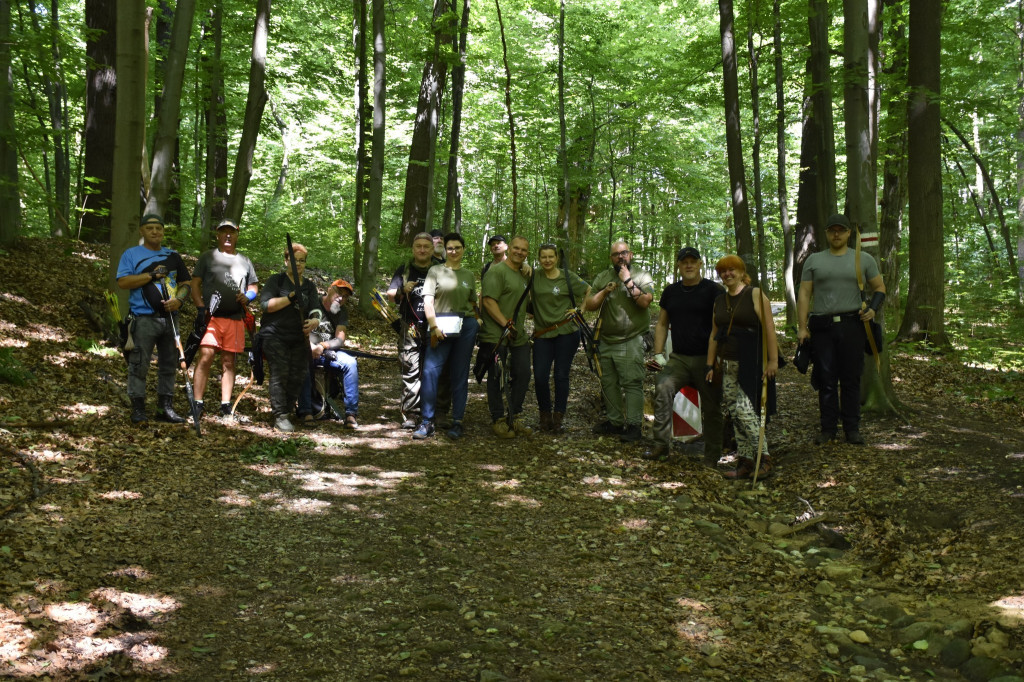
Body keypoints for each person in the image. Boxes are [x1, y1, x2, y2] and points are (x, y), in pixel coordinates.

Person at [797, 214, 886, 445]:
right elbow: (805, 294)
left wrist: (873, 309)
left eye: (841, 230)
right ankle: (828, 429)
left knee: (851, 379)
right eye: (832, 230)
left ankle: (852, 428)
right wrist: (802, 327)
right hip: (822, 327)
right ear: (826, 233)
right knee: (825, 379)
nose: (836, 234)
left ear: (849, 233)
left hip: (853, 326)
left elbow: (879, 288)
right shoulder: (813, 260)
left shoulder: (863, 259)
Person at [648, 247, 725, 463]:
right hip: (679, 358)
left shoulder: (714, 290)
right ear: (679, 266)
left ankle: (712, 455)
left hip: (706, 359)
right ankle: (661, 446)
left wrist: (716, 360)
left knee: (712, 405)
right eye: (684, 262)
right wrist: (658, 353)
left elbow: (720, 325)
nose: (689, 265)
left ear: (700, 264)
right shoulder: (671, 291)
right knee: (662, 387)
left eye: (693, 261)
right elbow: (662, 323)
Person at [705, 255, 779, 479]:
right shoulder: (719, 300)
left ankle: (763, 458)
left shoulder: (754, 294)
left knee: (746, 412)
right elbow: (714, 334)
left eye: (731, 270)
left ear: (741, 271)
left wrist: (773, 361)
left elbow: (769, 328)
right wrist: (710, 364)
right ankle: (746, 461)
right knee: (735, 413)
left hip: (751, 362)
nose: (727, 274)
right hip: (727, 363)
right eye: (723, 272)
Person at [116, 214, 193, 425]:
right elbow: (123, 282)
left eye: (158, 228)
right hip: (143, 319)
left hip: (171, 319)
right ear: (141, 231)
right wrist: (151, 276)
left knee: (169, 364)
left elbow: (186, 283)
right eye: (149, 228)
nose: (155, 232)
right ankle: (138, 409)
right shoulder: (131, 254)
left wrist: (180, 300)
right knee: (139, 364)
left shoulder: (173, 256)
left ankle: (164, 408)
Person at [584, 240, 654, 443]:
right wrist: (605, 291)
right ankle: (614, 422)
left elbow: (645, 302)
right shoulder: (603, 277)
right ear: (611, 258)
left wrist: (627, 281)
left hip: (631, 339)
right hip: (605, 340)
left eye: (624, 253)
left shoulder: (641, 275)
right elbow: (589, 305)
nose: (620, 257)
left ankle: (633, 426)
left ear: (630, 255)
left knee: (632, 382)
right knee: (608, 382)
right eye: (616, 254)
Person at [189, 218, 259, 419]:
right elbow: (195, 284)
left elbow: (253, 286)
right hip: (212, 318)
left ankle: (226, 405)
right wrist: (200, 307)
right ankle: (198, 403)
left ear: (237, 235)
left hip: (236, 318)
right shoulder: (208, 257)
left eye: (232, 232)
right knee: (206, 357)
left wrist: (249, 296)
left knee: (229, 361)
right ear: (217, 235)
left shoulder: (245, 261)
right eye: (223, 231)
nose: (228, 235)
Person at [414, 232, 480, 440]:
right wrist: (433, 326)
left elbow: (472, 302)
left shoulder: (469, 275)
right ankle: (427, 421)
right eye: (450, 248)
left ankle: (457, 421)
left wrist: (477, 321)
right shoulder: (435, 271)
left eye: (457, 248)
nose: (453, 251)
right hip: (439, 327)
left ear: (463, 250)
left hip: (465, 327)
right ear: (444, 250)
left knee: (459, 374)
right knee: (431, 373)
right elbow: (428, 302)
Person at [258, 242, 319, 432]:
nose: (298, 264)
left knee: (298, 374)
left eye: (302, 261)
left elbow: (316, 309)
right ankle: (280, 415)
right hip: (274, 334)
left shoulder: (309, 286)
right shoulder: (276, 281)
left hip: (299, 337)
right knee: (280, 371)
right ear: (286, 261)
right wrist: (291, 298)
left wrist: (315, 321)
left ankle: (288, 410)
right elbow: (266, 305)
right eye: (294, 260)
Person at [531, 243, 590, 433]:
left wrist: (580, 309)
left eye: (551, 257)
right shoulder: (534, 276)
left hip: (567, 332)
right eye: (543, 257)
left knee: (561, 375)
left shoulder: (568, 276)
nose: (547, 260)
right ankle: (544, 415)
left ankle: (558, 418)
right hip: (542, 333)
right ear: (539, 259)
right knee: (540, 376)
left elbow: (589, 290)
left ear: (556, 258)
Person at [479, 235, 534, 438]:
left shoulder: (523, 274)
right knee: (497, 375)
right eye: (516, 248)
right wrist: (505, 324)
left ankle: (515, 415)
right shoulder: (497, 272)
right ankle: (498, 419)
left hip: (517, 334)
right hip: (496, 335)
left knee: (523, 373)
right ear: (509, 249)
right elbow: (488, 301)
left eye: (524, 250)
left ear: (527, 254)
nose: (519, 252)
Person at [387, 232, 435, 429]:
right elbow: (390, 294)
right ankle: (411, 413)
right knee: (410, 369)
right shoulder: (405, 269)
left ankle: (433, 411)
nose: (422, 250)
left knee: (433, 370)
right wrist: (402, 290)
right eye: (418, 246)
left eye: (426, 246)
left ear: (432, 249)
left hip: (435, 328)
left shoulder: (439, 269)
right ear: (413, 249)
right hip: (410, 327)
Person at [301, 280, 360, 428]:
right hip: (306, 349)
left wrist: (322, 346)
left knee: (350, 363)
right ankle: (306, 411)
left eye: (346, 297)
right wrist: (310, 347)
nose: (341, 298)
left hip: (328, 353)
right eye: (339, 293)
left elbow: (340, 339)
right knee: (302, 362)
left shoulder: (342, 312)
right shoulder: (313, 304)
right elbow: (298, 327)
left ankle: (351, 414)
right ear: (329, 289)